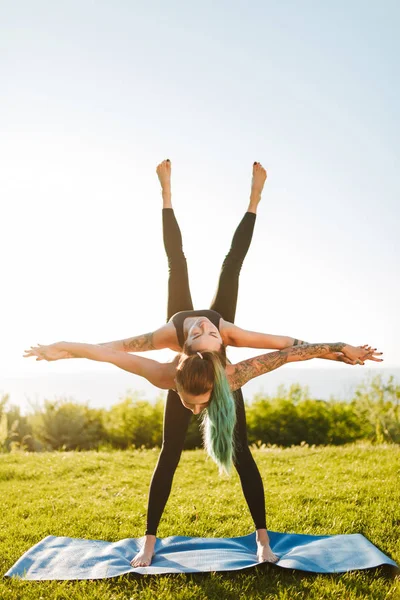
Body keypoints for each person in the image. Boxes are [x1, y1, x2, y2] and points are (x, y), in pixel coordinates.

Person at [24, 160, 382, 566]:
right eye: (192, 403)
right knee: (169, 450)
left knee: (232, 268)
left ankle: (263, 539)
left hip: (217, 363)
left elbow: (288, 349)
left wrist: (340, 349)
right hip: (186, 348)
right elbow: (112, 350)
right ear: (180, 370)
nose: (196, 410)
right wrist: (62, 349)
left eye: (198, 403)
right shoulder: (166, 362)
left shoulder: (229, 356)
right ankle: (148, 541)